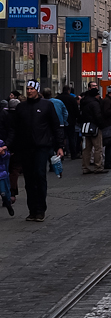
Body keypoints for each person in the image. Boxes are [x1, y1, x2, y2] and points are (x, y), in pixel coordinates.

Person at [6, 80, 64, 220]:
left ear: (37, 90)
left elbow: (56, 126)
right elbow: (14, 129)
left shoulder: (47, 105)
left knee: (39, 175)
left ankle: (40, 209)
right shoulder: (22, 107)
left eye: (32, 88)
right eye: (27, 88)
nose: (29, 91)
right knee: (29, 180)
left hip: (42, 147)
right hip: (25, 148)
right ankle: (32, 210)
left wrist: (59, 146)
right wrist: (9, 146)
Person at [79, 85, 106, 174]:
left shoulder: (84, 102)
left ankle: (85, 167)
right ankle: (98, 167)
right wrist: (101, 125)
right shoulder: (95, 103)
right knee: (98, 148)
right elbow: (98, 115)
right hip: (94, 127)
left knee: (87, 148)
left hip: (86, 126)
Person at [58, 85, 80, 159]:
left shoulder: (58, 98)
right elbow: (76, 110)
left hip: (60, 121)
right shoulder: (71, 99)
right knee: (71, 138)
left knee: (61, 137)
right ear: (69, 91)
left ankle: (61, 153)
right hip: (71, 120)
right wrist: (77, 118)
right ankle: (73, 154)